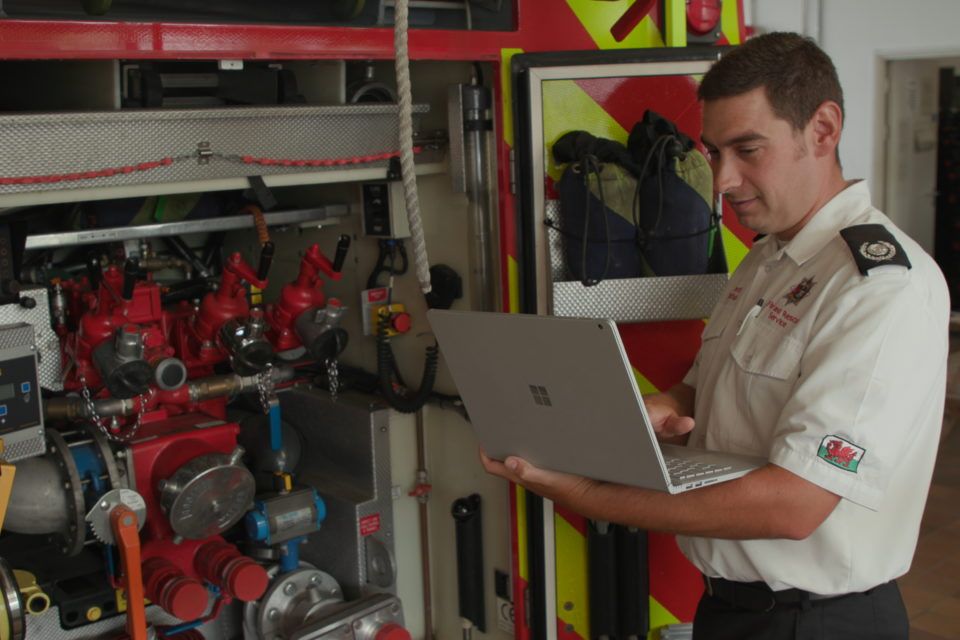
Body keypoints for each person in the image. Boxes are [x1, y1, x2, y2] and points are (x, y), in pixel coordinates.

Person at [481, 32, 950, 640]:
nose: (723, 180)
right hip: (732, 611)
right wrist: (648, 413)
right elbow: (705, 388)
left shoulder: (878, 288)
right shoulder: (767, 258)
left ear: (823, 129)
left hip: (817, 622)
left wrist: (588, 494)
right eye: (714, 151)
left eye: (747, 149)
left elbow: (795, 505)